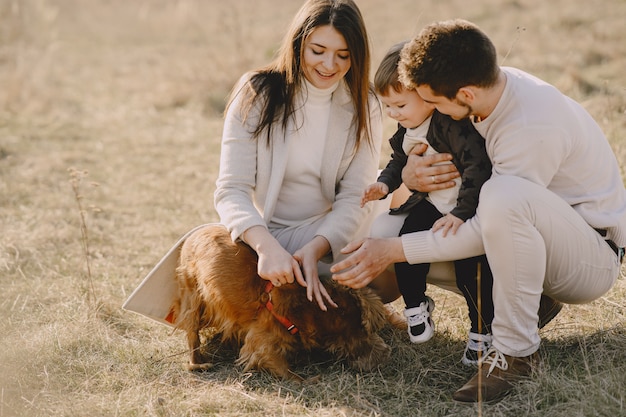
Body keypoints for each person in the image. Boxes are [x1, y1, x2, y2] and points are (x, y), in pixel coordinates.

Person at [331, 18, 626, 402]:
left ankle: (517, 353)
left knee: (501, 197)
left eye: (435, 103)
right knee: (385, 231)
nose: (432, 112)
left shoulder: (528, 124)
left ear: (465, 95)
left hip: (588, 259)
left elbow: (489, 221)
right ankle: (524, 302)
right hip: (531, 238)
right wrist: (408, 175)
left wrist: (396, 252)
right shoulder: (485, 90)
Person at [214, 0, 407, 320]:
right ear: (297, 44)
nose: (329, 64)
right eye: (317, 50)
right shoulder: (256, 93)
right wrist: (266, 248)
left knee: (398, 194)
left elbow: (353, 194)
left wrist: (319, 247)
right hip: (270, 237)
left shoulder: (365, 101)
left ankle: (353, 292)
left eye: (343, 55)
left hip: (335, 235)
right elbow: (231, 190)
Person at [361, 41, 494, 364]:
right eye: (388, 106)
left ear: (426, 97)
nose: (393, 113)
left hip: (466, 208)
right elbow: (398, 160)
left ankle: (482, 331)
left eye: (400, 105)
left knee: (471, 270)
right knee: (407, 243)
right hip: (433, 204)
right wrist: (385, 184)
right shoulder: (406, 128)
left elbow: (478, 167)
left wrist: (462, 213)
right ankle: (416, 305)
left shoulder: (450, 127)